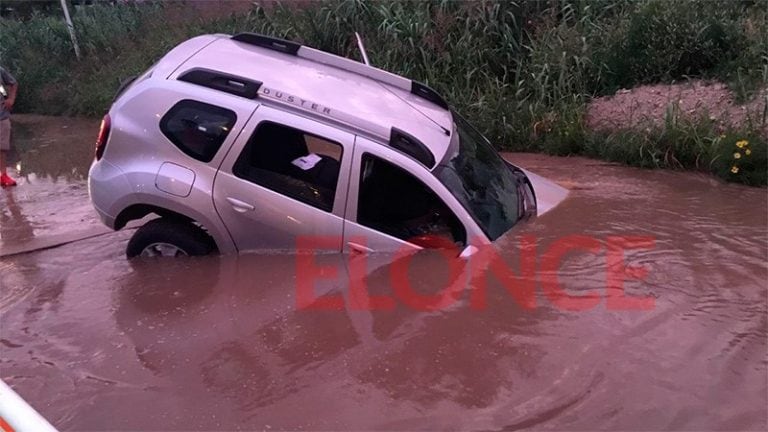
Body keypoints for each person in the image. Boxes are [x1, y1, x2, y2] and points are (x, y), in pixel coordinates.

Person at [0, 65, 18, 187]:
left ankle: (3, 175)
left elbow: (13, 83)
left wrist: (11, 99)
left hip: (1, 115)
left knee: (2, 148)